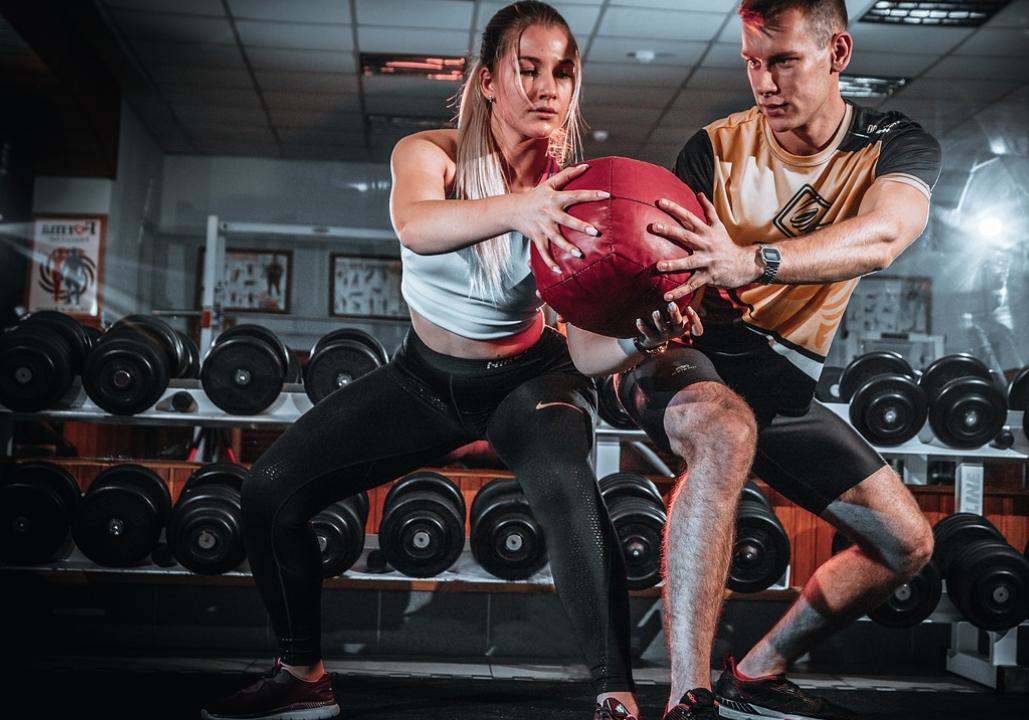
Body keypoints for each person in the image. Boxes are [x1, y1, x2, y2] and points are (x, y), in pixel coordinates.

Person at [201, 3, 698, 719]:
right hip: (424, 380)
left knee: (567, 488)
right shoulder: (427, 154)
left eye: (563, 71)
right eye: (527, 68)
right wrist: (518, 209)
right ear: (488, 81)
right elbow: (418, 224)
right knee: (269, 489)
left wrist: (640, 337)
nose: (548, 86)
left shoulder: (576, 194)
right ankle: (300, 676)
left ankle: (615, 694)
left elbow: (586, 350)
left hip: (530, 379)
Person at [567, 2, 941, 718]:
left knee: (906, 542)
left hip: (779, 378)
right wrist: (658, 304)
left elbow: (884, 235)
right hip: (686, 359)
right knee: (724, 430)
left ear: (837, 52)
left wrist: (754, 261)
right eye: (751, 62)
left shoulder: (893, 146)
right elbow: (669, 273)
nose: (763, 82)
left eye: (783, 61)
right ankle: (689, 697)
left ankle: (759, 674)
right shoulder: (715, 147)